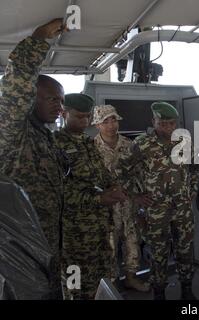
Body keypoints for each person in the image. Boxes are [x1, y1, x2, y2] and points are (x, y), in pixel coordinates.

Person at [0, 19, 67, 299]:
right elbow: (14, 90)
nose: (60, 107)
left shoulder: (44, 136)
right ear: (32, 99)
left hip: (47, 245)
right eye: (52, 99)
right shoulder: (14, 131)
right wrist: (37, 40)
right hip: (20, 252)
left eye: (62, 101)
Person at [118, 102, 199, 300]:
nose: (168, 127)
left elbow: (195, 169)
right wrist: (136, 196)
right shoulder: (142, 143)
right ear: (153, 122)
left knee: (185, 249)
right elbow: (122, 171)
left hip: (182, 207)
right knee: (158, 252)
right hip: (156, 209)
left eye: (172, 123)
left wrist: (193, 189)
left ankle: (187, 289)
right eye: (162, 123)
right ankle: (159, 291)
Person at [55, 94, 126, 300]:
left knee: (101, 281)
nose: (84, 122)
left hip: (100, 228)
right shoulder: (54, 144)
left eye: (87, 117)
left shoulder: (87, 142)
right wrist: (98, 199)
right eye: (79, 117)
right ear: (63, 113)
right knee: (74, 284)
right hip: (73, 235)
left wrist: (113, 187)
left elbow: (101, 175)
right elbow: (59, 191)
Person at [92, 105, 149, 292]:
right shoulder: (91, 148)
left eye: (113, 120)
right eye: (105, 121)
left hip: (129, 204)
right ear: (97, 125)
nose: (111, 125)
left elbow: (139, 174)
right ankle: (111, 285)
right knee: (109, 247)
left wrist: (140, 197)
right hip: (106, 209)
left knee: (132, 242)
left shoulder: (129, 145)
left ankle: (131, 278)